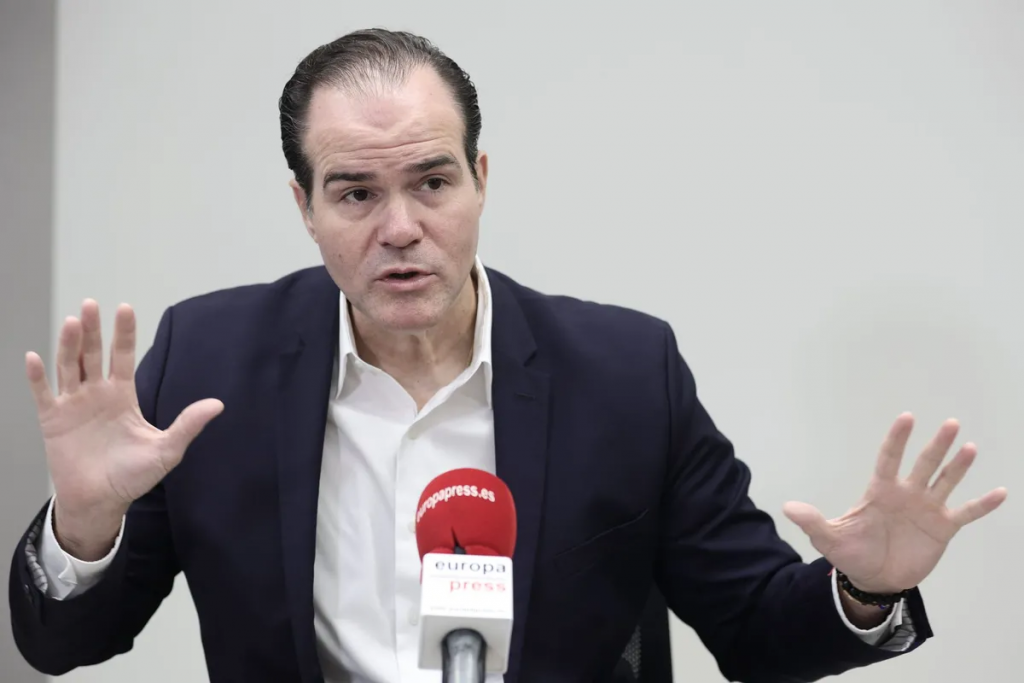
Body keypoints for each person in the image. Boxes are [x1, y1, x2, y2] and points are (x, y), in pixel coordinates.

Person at [8, 28, 1007, 683]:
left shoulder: (624, 372)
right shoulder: (207, 363)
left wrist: (863, 590)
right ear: (304, 206)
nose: (401, 227)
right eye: (355, 193)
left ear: (480, 178)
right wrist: (85, 526)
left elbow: (754, 628)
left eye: (432, 182)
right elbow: (63, 643)